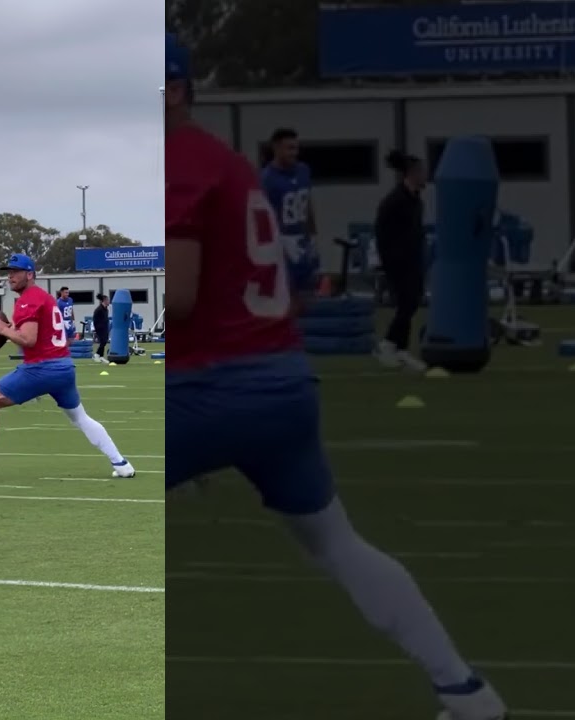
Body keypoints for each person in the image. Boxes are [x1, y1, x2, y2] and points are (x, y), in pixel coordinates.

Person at [164, 34, 506, 720]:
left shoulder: (172, 160)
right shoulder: (226, 163)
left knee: (56, 505)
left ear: (172, 90)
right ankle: (464, 690)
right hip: (282, 383)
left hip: (214, 388)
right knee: (336, 542)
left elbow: (176, 297)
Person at [0, 254, 135, 483]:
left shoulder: (28, 299)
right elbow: (30, 331)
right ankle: (121, 463)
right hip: (63, 367)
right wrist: (7, 328)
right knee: (80, 418)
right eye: (8, 272)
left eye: (15, 272)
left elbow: (28, 339)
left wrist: (3, 330)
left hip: (42, 368)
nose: (11, 276)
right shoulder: (42, 298)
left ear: (30, 274)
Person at [375, 149, 429, 372]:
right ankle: (389, 345)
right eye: (421, 172)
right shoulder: (395, 200)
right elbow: (382, 231)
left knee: (412, 301)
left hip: (412, 258)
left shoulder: (416, 200)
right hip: (397, 260)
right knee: (407, 301)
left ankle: (400, 348)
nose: (425, 176)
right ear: (411, 174)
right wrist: (391, 258)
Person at [260, 128, 322, 296]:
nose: (294, 153)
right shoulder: (267, 179)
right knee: (286, 291)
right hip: (283, 240)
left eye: (296, 148)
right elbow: (265, 217)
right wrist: (277, 243)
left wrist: (313, 235)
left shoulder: (303, 170)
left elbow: (307, 204)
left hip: (303, 239)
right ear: (276, 148)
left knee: (309, 290)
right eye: (289, 148)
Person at [92, 293, 110, 363]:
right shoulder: (99, 309)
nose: (108, 302)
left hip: (105, 327)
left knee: (105, 341)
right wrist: (97, 328)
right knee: (103, 341)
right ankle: (96, 355)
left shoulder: (106, 309)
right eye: (107, 300)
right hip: (100, 328)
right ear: (104, 301)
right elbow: (95, 319)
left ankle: (101, 356)